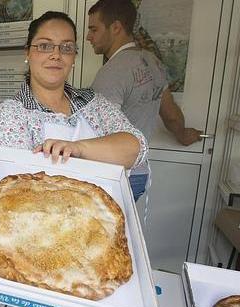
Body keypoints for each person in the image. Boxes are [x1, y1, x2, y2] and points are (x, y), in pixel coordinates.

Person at [0, 11, 148, 170]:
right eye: (44, 46)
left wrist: (79, 149)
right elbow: (15, 184)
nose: (56, 55)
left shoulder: (93, 102)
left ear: (73, 57)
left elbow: (136, 148)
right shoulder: (11, 114)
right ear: (28, 53)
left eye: (66, 47)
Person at [86, 0, 201, 200]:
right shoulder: (152, 61)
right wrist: (182, 135)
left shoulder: (112, 72)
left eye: (94, 29)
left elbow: (96, 129)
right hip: (140, 173)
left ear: (116, 28)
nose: (89, 37)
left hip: (115, 175)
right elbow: (171, 114)